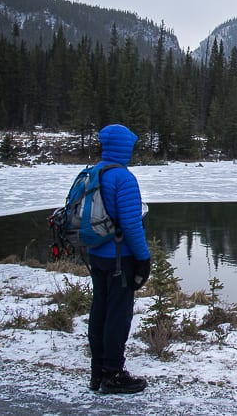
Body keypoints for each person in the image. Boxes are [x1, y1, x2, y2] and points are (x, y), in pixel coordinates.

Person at [88, 124, 152, 394]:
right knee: (118, 315)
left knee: (99, 311)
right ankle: (113, 374)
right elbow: (131, 224)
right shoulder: (123, 178)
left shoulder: (92, 172)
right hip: (119, 259)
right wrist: (144, 258)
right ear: (124, 147)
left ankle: (98, 373)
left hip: (96, 255)